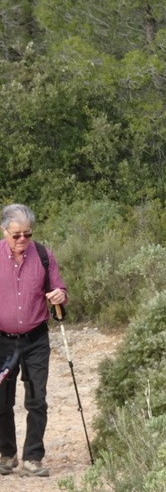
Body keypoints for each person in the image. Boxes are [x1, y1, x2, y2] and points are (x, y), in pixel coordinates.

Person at [0, 204, 68, 477]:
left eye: (27, 234)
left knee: (37, 399)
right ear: (4, 231)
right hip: (2, 342)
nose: (22, 240)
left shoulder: (43, 255)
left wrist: (60, 296)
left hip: (36, 339)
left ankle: (33, 458)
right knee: (2, 400)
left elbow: (59, 287)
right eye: (16, 235)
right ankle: (6, 454)